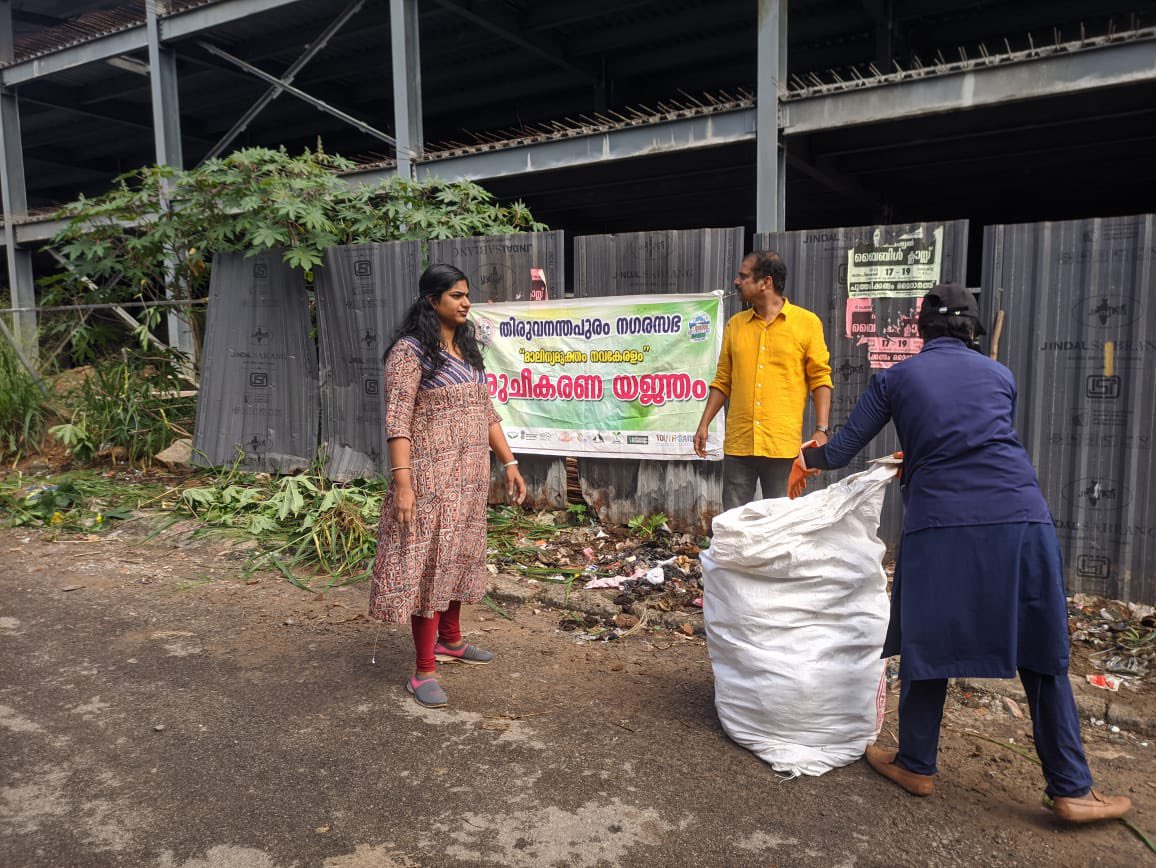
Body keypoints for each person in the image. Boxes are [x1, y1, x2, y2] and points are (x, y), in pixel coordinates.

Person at [789, 284, 1131, 823]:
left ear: (920, 330)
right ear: (971, 331)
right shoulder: (1001, 375)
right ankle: (1072, 788)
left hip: (942, 525)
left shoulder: (896, 377)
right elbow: (978, 439)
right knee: (1043, 653)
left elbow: (841, 449)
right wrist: (921, 454)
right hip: (1022, 519)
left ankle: (917, 763)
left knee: (929, 641)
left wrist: (807, 459)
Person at [369, 264, 526, 709]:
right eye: (456, 295)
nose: (465, 303)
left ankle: (450, 640)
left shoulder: (465, 350)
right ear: (430, 301)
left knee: (459, 558)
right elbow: (396, 421)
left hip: (469, 480)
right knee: (429, 567)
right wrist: (404, 484)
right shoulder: (410, 353)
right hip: (429, 482)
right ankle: (423, 671)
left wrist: (509, 462)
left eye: (467, 296)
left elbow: (487, 412)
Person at [693, 250, 833, 510]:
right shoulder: (736, 325)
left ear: (765, 282)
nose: (737, 281)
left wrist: (821, 430)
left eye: (744, 276)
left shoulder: (806, 323)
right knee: (734, 522)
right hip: (740, 444)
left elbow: (820, 378)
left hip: (782, 446)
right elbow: (723, 380)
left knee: (780, 523)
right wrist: (704, 424)